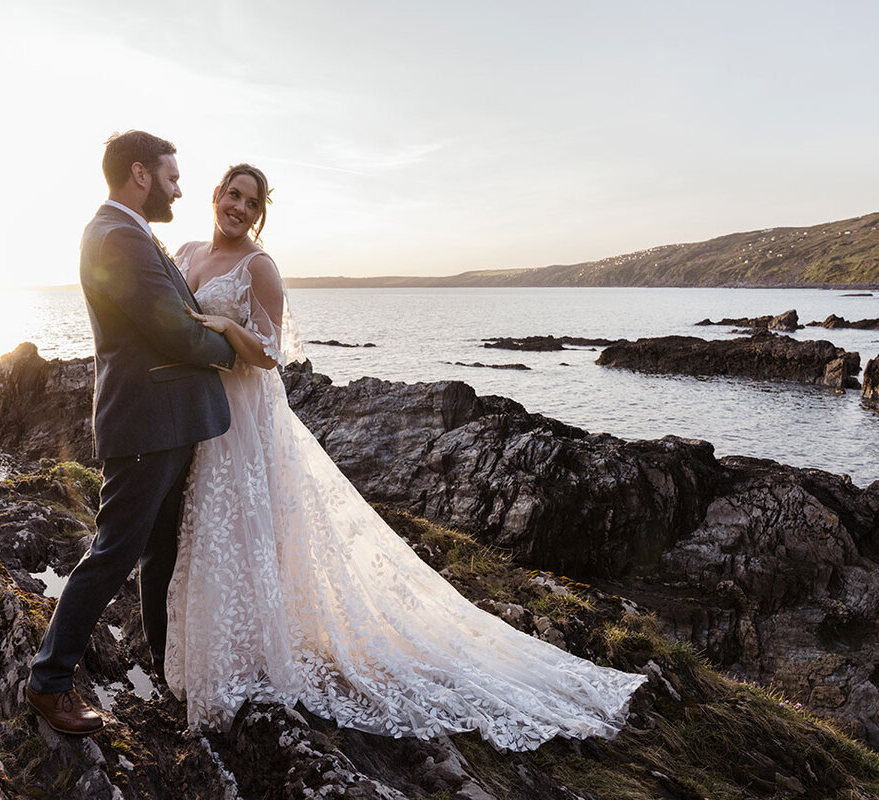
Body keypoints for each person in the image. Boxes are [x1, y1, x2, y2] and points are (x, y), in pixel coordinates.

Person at [165, 164, 648, 752]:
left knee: (243, 528)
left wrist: (222, 326)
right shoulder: (187, 252)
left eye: (251, 202)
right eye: (232, 195)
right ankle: (224, 652)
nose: (238, 207)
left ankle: (247, 661)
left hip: (245, 416)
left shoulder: (260, 267)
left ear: (260, 213)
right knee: (214, 529)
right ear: (216, 196)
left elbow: (268, 355)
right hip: (203, 415)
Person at [26, 131, 237, 736]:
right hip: (147, 422)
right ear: (140, 175)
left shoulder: (126, 231)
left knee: (159, 550)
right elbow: (172, 330)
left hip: (165, 419)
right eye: (172, 177)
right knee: (114, 552)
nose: (178, 188)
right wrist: (236, 348)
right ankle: (49, 681)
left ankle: (167, 666)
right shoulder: (117, 237)